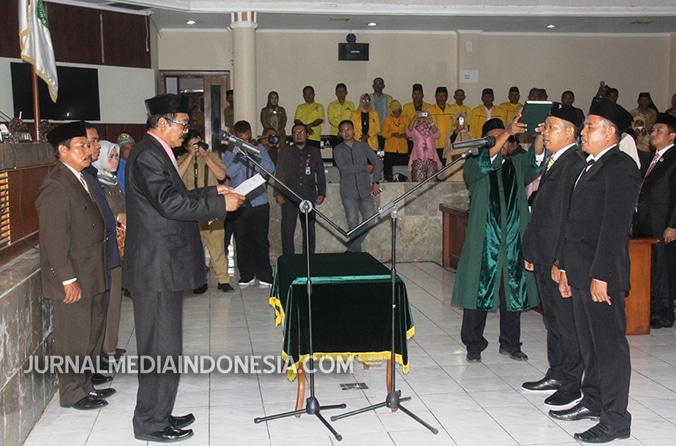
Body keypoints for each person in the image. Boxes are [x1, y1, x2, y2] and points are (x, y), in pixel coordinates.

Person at [123, 94, 244, 442]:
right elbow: (170, 203)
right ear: (162, 123)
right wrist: (220, 204)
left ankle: (160, 412)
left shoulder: (157, 151)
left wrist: (212, 190)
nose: (186, 131)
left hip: (162, 266)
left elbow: (176, 195)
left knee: (165, 346)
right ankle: (150, 422)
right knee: (159, 348)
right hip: (155, 267)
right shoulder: (148, 155)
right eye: (183, 124)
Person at [550, 98, 639, 444]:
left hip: (602, 275)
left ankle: (616, 419)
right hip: (580, 271)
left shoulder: (621, 167)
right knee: (588, 344)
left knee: (609, 348)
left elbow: (614, 228)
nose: (583, 131)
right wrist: (564, 266)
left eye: (589, 126)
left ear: (610, 132)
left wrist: (600, 275)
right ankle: (593, 401)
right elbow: (573, 221)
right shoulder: (588, 165)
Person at [452, 118, 544, 364]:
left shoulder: (516, 165)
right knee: (477, 294)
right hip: (484, 242)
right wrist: (507, 132)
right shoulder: (475, 165)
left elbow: (536, 160)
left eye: (505, 137)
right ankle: (474, 344)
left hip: (512, 242)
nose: (501, 141)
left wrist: (539, 132)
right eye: (494, 138)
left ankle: (511, 344)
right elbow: (486, 162)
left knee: (512, 294)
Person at [36, 121, 113, 410]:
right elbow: (54, 239)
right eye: (81, 146)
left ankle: (86, 385)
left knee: (91, 333)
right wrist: (67, 280)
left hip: (92, 271)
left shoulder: (80, 177)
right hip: (75, 276)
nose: (88, 151)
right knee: (74, 336)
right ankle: (72, 393)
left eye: (87, 145)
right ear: (62, 150)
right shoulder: (56, 185)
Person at [521, 103, 586, 409]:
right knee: (553, 319)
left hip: (559, 258)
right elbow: (542, 212)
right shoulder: (555, 159)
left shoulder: (575, 163)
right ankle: (557, 371)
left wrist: (562, 262)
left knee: (567, 322)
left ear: (570, 133)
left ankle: (572, 383)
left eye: (551, 128)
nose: (544, 132)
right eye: (545, 127)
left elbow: (570, 219)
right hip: (545, 253)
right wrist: (533, 250)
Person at [82, 123, 119, 386]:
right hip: (92, 256)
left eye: (96, 142)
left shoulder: (95, 176)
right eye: (91, 142)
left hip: (108, 251)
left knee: (104, 309)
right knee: (90, 316)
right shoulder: (82, 179)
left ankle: (99, 359)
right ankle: (88, 372)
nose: (95, 146)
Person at [633, 112, 676, 329]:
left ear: (672, 136)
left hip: (663, 223)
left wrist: (673, 225)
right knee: (650, 267)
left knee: (662, 269)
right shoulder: (653, 158)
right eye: (653, 130)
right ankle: (649, 309)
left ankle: (664, 314)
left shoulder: (673, 159)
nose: (653, 133)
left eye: (659, 130)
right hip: (646, 222)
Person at [177, 130, 233, 293]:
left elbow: (221, 175)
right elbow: (176, 176)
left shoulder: (212, 157)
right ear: (186, 147)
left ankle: (223, 279)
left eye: (199, 143)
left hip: (212, 208)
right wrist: (190, 156)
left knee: (217, 245)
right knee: (195, 248)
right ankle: (200, 280)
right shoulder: (181, 160)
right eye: (192, 145)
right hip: (192, 209)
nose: (197, 147)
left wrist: (206, 157)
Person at [223, 120, 276, 287]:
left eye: (247, 138)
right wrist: (240, 154)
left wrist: (255, 153)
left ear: (251, 134)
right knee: (242, 240)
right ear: (236, 137)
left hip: (259, 201)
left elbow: (269, 168)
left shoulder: (259, 149)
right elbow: (230, 172)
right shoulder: (231, 151)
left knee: (261, 240)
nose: (245, 141)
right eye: (242, 139)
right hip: (239, 204)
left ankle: (264, 274)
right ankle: (246, 274)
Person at [92, 140, 127, 364]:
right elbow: (97, 214)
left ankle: (110, 346)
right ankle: (104, 350)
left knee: (115, 299)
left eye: (116, 156)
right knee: (108, 299)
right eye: (110, 157)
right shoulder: (97, 183)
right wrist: (117, 218)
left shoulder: (111, 180)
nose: (115, 161)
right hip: (106, 247)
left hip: (119, 245)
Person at [274, 123, 326, 254]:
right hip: (288, 196)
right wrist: (277, 193)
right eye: (295, 133)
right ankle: (289, 260)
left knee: (309, 229)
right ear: (292, 136)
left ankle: (308, 258)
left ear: (307, 135)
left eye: (301, 132)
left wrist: (322, 192)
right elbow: (279, 173)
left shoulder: (314, 151)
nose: (298, 135)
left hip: (308, 195)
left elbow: (320, 173)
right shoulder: (285, 152)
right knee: (287, 230)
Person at [334, 120, 384, 252]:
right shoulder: (338, 150)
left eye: (348, 129)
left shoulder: (363, 147)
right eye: (343, 130)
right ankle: (356, 253)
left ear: (354, 131)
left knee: (371, 220)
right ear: (340, 133)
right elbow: (344, 169)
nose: (346, 132)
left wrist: (376, 182)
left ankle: (352, 250)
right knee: (353, 224)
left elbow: (378, 163)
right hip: (348, 193)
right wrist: (364, 167)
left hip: (365, 191)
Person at [406, 110, 441, 181]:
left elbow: (437, 135)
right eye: (421, 118)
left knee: (432, 183)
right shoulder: (415, 130)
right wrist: (414, 118)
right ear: (418, 119)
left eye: (426, 118)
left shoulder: (432, 129)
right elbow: (408, 132)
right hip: (418, 159)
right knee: (418, 182)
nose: (424, 119)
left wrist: (432, 122)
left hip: (431, 159)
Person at [382, 100, 410, 179]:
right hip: (390, 148)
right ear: (392, 111)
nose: (397, 113)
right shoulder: (387, 120)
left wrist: (404, 135)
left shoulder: (405, 119)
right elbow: (384, 134)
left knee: (403, 168)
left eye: (399, 111)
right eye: (395, 112)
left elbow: (410, 132)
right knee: (388, 169)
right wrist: (392, 134)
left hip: (402, 148)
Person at [428, 86, 454, 163]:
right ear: (435, 97)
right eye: (439, 96)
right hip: (434, 145)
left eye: (443, 96)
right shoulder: (429, 110)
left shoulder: (453, 110)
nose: (441, 98)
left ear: (447, 97)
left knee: (448, 167)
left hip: (449, 145)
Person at [327, 83, 355, 147]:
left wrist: (345, 129)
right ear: (336, 93)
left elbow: (352, 118)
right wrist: (341, 128)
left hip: (348, 133)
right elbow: (331, 119)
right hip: (335, 133)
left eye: (342, 91)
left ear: (346, 93)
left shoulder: (351, 104)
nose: (340, 94)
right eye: (338, 92)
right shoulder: (331, 105)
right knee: (337, 151)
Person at [369, 77, 392, 150]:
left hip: (385, 131)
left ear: (383, 86)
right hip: (372, 131)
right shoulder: (368, 98)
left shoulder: (389, 98)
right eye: (376, 84)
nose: (378, 86)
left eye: (380, 84)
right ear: (373, 86)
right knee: (373, 152)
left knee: (384, 152)